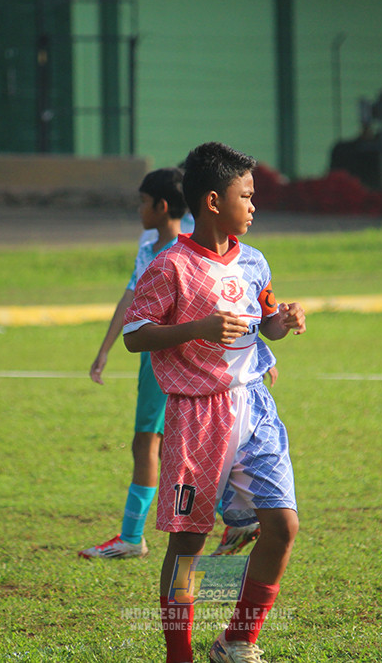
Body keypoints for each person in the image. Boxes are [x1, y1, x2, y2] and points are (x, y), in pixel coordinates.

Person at [123, 142, 306, 663]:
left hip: (255, 406)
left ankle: (237, 641)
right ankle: (178, 655)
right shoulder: (171, 265)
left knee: (282, 525)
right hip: (198, 416)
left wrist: (283, 322)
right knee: (188, 543)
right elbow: (136, 335)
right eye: (245, 196)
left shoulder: (254, 261)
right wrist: (197, 328)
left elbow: (263, 320)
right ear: (211, 201)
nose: (254, 206)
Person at [79, 168, 261, 560]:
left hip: (169, 365)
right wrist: (106, 348)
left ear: (162, 206)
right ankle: (235, 520)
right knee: (180, 451)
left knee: (151, 444)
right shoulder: (170, 248)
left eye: (143, 202)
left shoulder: (170, 254)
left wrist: (259, 350)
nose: (139, 209)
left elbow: (136, 308)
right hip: (206, 370)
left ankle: (133, 537)